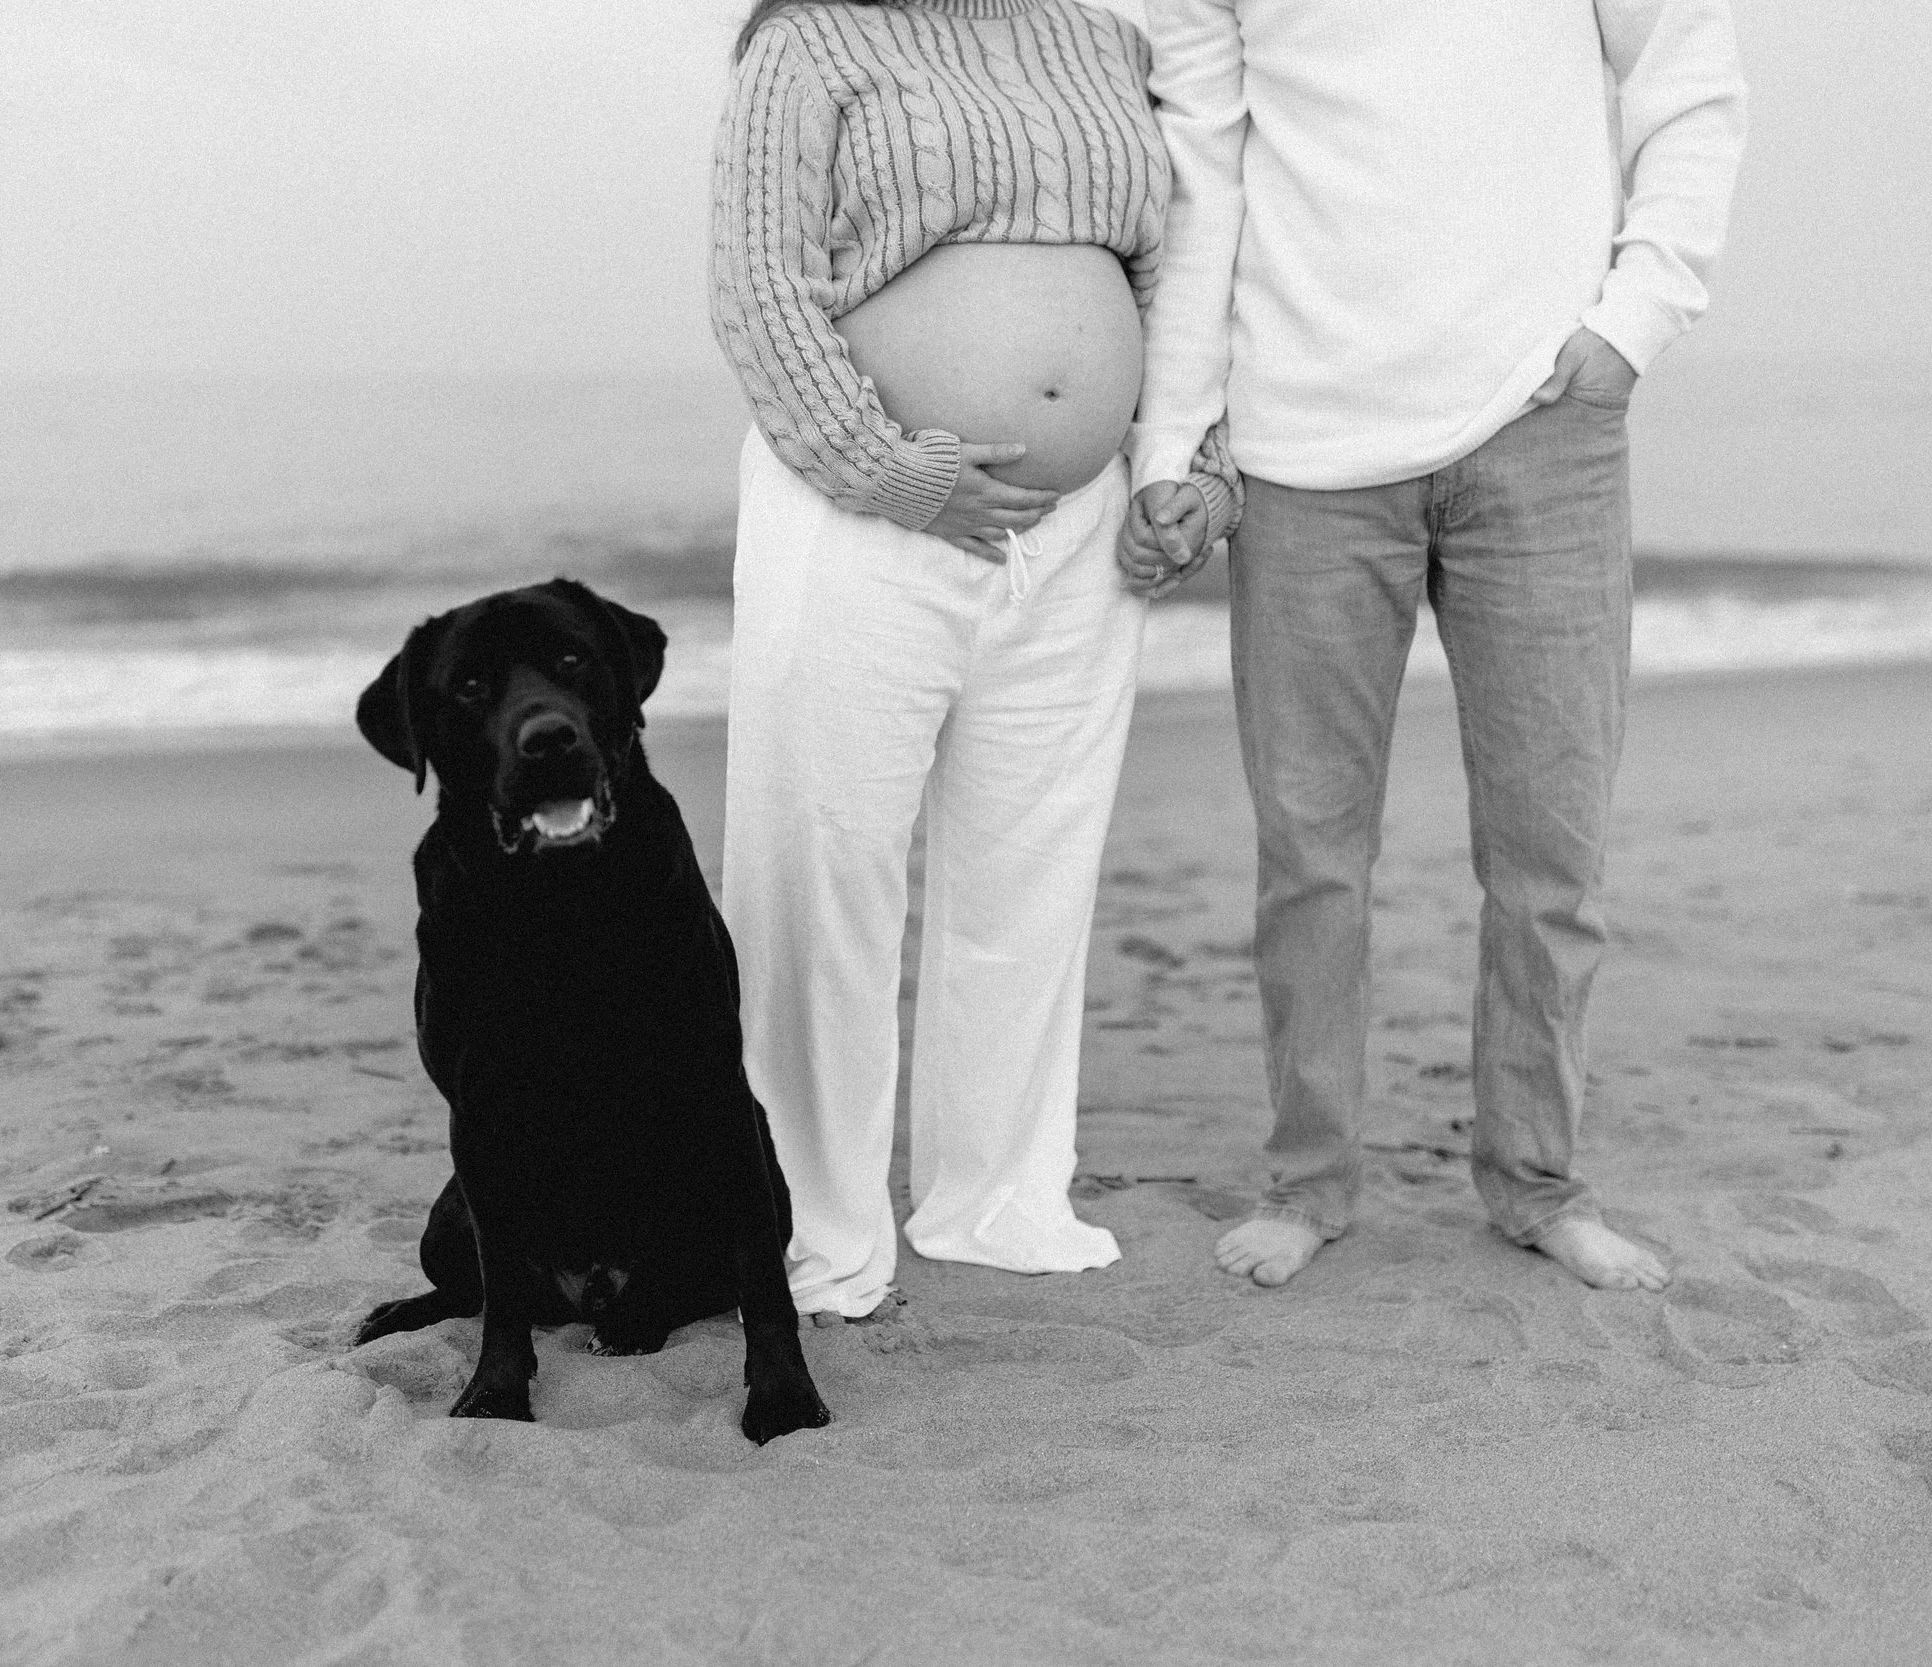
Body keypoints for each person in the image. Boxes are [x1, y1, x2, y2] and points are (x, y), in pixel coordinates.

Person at [1121, 0, 1747, 1290]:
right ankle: (1309, 1183)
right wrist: (1175, 440)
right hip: (1302, 446)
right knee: (1310, 857)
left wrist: (1636, 318)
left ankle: (1537, 1183)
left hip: (1542, 419)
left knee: (1551, 851)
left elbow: (1686, 80)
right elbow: (1203, 174)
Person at [710, 0, 1241, 1321]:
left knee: (1030, 870)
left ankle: (995, 1198)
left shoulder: (1106, 38)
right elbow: (760, 288)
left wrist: (1187, 466)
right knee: (822, 870)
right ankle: (808, 1230)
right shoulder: (812, 44)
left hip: (1075, 534)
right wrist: (898, 469)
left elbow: (1173, 274)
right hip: (868, 511)